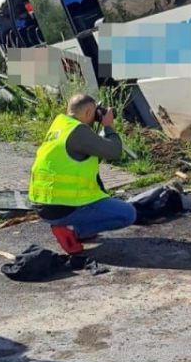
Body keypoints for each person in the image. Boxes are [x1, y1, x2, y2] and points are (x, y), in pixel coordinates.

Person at [28, 93, 136, 253]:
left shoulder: (60, 126)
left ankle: (77, 231)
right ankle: (73, 232)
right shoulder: (78, 131)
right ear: (87, 112)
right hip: (64, 208)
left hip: (43, 206)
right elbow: (115, 151)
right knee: (128, 214)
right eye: (94, 114)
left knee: (103, 204)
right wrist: (108, 126)